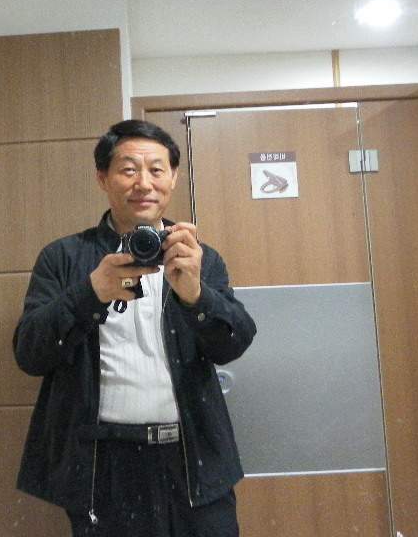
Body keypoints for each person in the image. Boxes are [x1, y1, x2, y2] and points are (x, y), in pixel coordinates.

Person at [13, 119, 257, 537]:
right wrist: (90, 293)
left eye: (157, 169)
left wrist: (196, 296)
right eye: (128, 170)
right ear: (102, 177)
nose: (144, 182)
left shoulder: (199, 257)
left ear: (173, 178)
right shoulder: (64, 258)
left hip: (193, 459)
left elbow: (233, 344)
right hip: (102, 467)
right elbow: (30, 354)